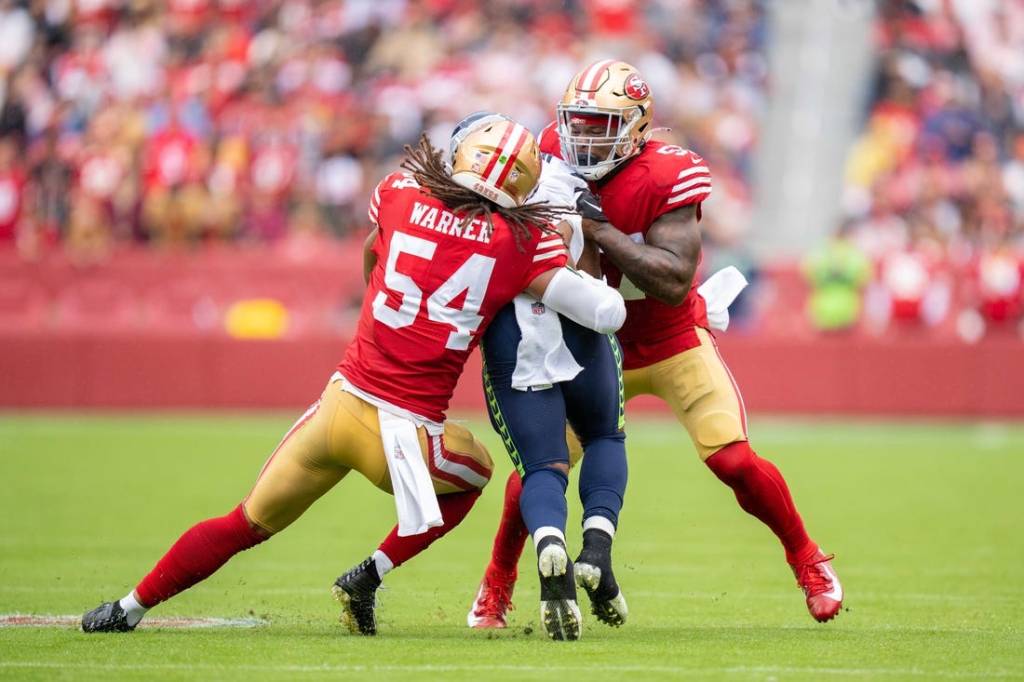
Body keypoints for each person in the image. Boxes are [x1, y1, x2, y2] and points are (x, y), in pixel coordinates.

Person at [81, 117, 626, 635]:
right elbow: (606, 313)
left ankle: (126, 608)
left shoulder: (401, 192)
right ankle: (369, 574)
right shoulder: (522, 242)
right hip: (404, 433)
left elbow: (374, 253)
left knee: (242, 522)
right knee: (479, 473)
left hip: (336, 405)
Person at [471, 61, 844, 626]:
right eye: (579, 122)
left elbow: (671, 282)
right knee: (537, 468)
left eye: (601, 124)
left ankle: (807, 558)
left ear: (637, 127)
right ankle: (496, 584)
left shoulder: (668, 173)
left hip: (668, 339)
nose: (584, 137)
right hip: (589, 345)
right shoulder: (546, 151)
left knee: (734, 458)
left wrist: (600, 232)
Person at [414, 113, 628, 641]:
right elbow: (606, 310)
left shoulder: (434, 217)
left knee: (543, 467)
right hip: (578, 332)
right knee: (604, 435)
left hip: (512, 347)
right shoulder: (557, 190)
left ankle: (549, 541)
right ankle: (596, 543)